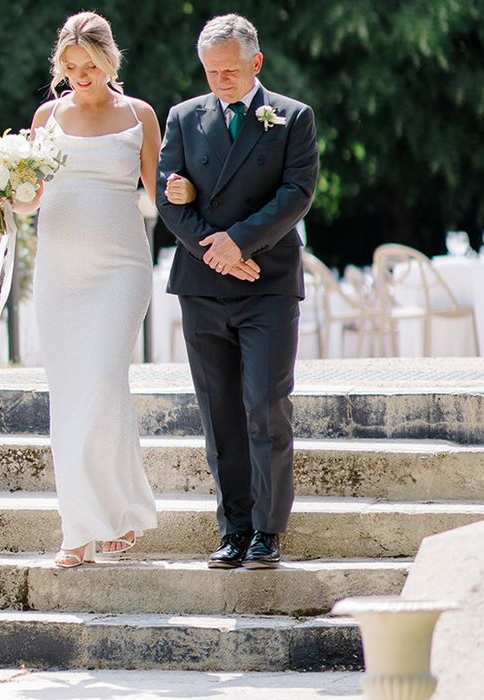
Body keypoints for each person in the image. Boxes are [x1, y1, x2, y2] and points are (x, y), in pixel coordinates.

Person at [156, 14, 319, 569]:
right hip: (202, 286)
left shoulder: (293, 117)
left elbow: (297, 192)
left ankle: (268, 532)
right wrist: (214, 250)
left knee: (265, 405)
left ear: (256, 62)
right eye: (210, 72)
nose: (220, 80)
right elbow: (167, 196)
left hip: (267, 282)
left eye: (229, 70)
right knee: (218, 410)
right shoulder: (182, 117)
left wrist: (240, 244)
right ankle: (234, 529)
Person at [13, 11, 163, 567]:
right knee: (75, 393)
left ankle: (93, 523)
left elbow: (160, 193)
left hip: (121, 269)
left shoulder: (138, 115)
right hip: (60, 272)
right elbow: (32, 197)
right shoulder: (47, 116)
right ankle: (94, 523)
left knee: (100, 381)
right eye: (70, 67)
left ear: (109, 61)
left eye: (90, 66)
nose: (80, 75)